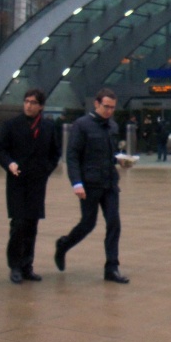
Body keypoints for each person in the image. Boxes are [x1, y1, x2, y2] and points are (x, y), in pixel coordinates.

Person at [54, 88, 129, 284]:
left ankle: (111, 267)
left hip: (110, 183)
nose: (109, 111)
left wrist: (120, 160)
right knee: (88, 223)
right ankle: (64, 245)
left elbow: (108, 154)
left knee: (114, 223)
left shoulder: (112, 127)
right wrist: (77, 183)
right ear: (96, 104)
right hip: (90, 183)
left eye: (112, 108)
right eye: (106, 107)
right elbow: (72, 156)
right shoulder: (82, 125)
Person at [0, 89, 61, 284]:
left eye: (33, 102)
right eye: (26, 101)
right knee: (18, 224)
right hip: (17, 181)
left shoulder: (48, 126)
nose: (28, 105)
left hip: (37, 183)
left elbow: (55, 153)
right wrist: (9, 164)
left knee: (32, 224)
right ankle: (14, 265)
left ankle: (27, 265)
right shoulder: (11, 125)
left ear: (41, 106)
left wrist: (45, 170)